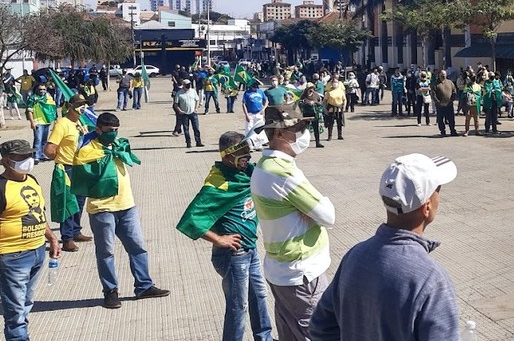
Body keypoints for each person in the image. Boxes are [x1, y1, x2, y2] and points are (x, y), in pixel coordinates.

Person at [309, 154, 460, 339]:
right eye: (438, 190)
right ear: (426, 207)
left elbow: (320, 327)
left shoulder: (355, 256)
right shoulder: (432, 280)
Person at [177, 132, 274, 341]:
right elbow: (191, 219)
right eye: (242, 156)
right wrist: (219, 239)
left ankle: (264, 337)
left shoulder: (247, 173)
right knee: (239, 306)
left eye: (248, 155)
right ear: (228, 157)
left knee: (259, 296)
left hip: (251, 250)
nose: (247, 160)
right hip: (233, 255)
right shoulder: (218, 184)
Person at [252, 105, 336, 341]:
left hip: (283, 270)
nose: (304, 133)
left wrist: (308, 209)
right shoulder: (282, 172)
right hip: (302, 274)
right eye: (298, 128)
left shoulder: (265, 166)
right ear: (279, 134)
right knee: (320, 334)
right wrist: (317, 205)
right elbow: (328, 215)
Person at [71, 112, 170, 309]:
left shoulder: (116, 145)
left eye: (116, 131)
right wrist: (105, 156)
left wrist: (117, 150)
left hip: (127, 205)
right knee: (106, 252)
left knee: (138, 247)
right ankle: (110, 291)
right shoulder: (87, 150)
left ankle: (144, 286)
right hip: (102, 209)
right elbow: (84, 174)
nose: (113, 135)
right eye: (109, 131)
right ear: (98, 129)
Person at [0, 140, 61, 341]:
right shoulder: (2, 187)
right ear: (7, 161)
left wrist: (51, 237)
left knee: (25, 303)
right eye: (22, 157)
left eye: (29, 155)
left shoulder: (32, 180)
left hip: (36, 252)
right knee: (15, 310)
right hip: (12, 256)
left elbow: (38, 213)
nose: (29, 159)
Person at [44, 94, 93, 253]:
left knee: (79, 202)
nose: (82, 108)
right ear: (70, 107)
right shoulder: (62, 124)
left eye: (84, 105)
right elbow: (49, 149)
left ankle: (76, 231)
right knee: (68, 203)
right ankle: (67, 239)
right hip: (67, 168)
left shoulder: (79, 122)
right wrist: (60, 161)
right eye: (79, 105)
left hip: (80, 167)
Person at [26, 85, 56, 162]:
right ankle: (36, 156)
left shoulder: (47, 98)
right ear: (36, 90)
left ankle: (42, 155)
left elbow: (52, 107)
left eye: (44, 89)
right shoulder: (32, 98)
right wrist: (32, 122)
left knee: (44, 140)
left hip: (46, 121)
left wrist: (54, 119)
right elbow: (29, 111)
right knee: (38, 139)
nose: (42, 91)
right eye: (40, 89)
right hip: (37, 122)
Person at [174, 79, 204, 149]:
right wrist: (179, 110)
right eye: (187, 85)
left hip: (193, 113)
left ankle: (198, 142)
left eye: (189, 84)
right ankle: (188, 143)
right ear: (183, 85)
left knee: (196, 128)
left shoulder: (193, 91)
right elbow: (176, 104)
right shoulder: (179, 93)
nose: (188, 86)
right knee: (186, 129)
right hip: (184, 114)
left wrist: (196, 108)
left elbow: (197, 100)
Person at [242, 82, 269, 151]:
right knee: (249, 129)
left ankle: (258, 145)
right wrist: (246, 115)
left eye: (256, 86)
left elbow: (266, 100)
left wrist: (263, 109)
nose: (255, 88)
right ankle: (250, 145)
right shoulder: (247, 93)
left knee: (259, 129)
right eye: (254, 86)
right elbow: (243, 104)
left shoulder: (260, 92)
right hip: (250, 113)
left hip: (259, 113)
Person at [431, 70, 457, 137]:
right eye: (442, 74)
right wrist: (438, 102)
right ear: (439, 75)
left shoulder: (450, 82)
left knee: (451, 118)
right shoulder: (435, 84)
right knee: (440, 119)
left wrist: (452, 100)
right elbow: (433, 95)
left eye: (445, 74)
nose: (443, 75)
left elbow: (454, 91)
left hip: (449, 104)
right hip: (440, 105)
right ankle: (443, 131)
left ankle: (452, 130)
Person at [323, 77, 346, 141]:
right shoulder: (328, 92)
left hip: (339, 109)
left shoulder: (341, 91)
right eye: (333, 82)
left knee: (339, 123)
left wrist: (344, 106)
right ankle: (329, 136)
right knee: (330, 124)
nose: (334, 84)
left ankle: (340, 135)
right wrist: (325, 109)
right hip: (331, 109)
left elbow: (344, 99)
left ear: (338, 83)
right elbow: (324, 101)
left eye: (336, 82)